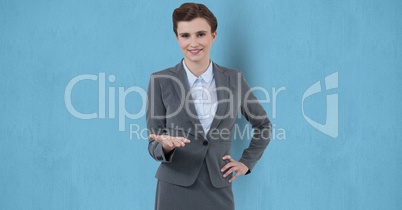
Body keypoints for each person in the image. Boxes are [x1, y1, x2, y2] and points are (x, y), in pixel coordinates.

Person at [146, 3, 272, 210]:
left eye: (200, 34)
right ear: (177, 38)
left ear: (213, 36)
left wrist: (246, 163)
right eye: (185, 35)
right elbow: (153, 142)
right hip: (174, 187)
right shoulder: (160, 81)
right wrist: (166, 146)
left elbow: (264, 125)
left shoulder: (234, 79)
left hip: (218, 186)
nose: (193, 43)